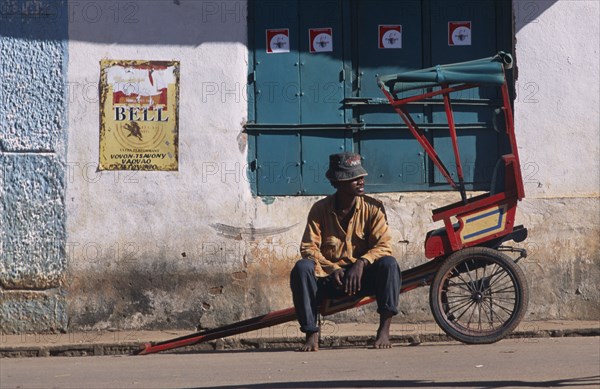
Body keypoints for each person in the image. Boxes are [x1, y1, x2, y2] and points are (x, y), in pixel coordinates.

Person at [290, 152, 402, 352]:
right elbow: (308, 248)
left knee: (389, 263)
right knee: (302, 267)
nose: (361, 181)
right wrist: (332, 270)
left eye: (361, 177)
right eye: (354, 178)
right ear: (338, 182)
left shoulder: (374, 208)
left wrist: (361, 263)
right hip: (330, 279)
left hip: (361, 278)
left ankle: (384, 331)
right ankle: (311, 333)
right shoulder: (319, 209)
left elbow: (383, 245)